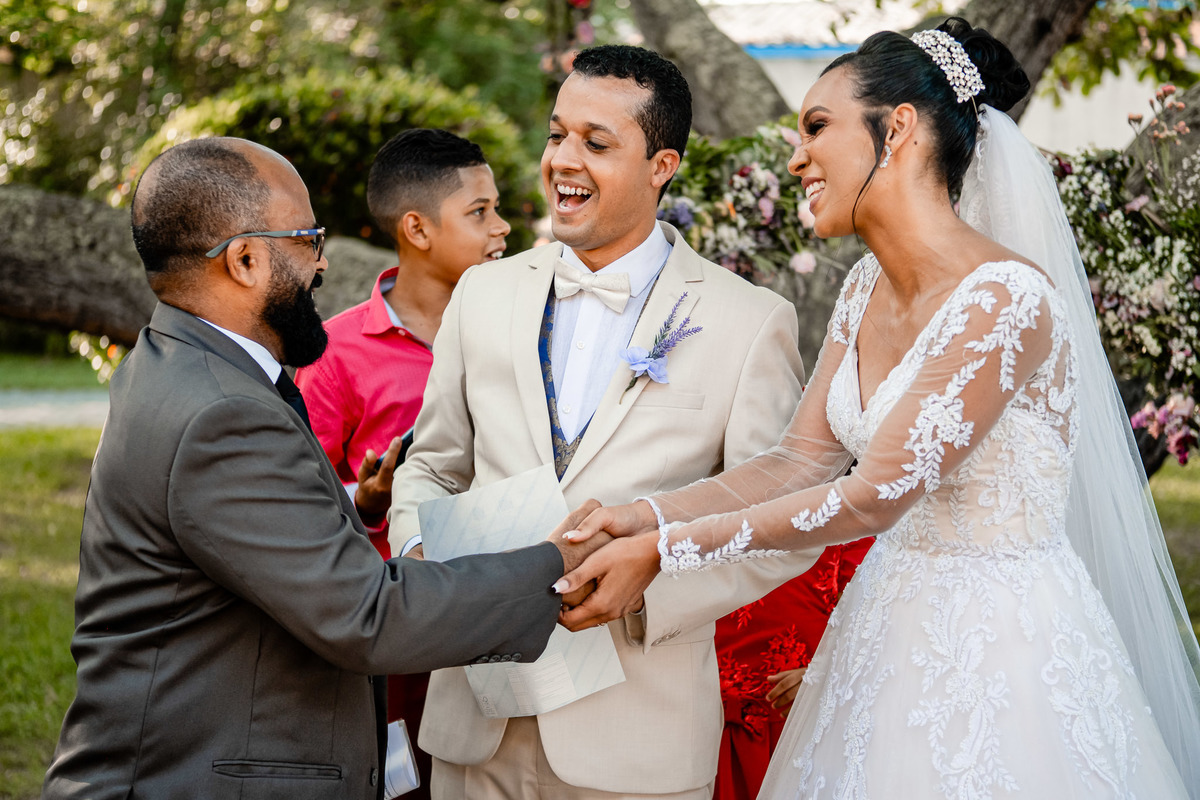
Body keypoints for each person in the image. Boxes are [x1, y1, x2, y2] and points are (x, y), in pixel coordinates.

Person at [557, 19, 1200, 798]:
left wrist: (668, 550)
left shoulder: (1007, 298)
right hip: (887, 626)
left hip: (1003, 652)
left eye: (816, 127)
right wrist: (643, 515)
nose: (796, 157)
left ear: (896, 130)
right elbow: (799, 461)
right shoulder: (864, 287)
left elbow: (874, 495)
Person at [41, 136, 600, 800]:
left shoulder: (177, 362)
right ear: (245, 260)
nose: (323, 262)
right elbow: (367, 616)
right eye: (308, 240)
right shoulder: (222, 413)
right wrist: (560, 565)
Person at [388, 45, 817, 799]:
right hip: (475, 727)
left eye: (596, 142)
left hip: (638, 740)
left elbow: (785, 522)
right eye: (557, 135)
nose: (563, 159)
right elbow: (433, 464)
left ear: (661, 166)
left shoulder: (749, 321)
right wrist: (421, 550)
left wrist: (653, 583)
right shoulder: (481, 293)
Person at [294, 127, 511, 799]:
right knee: (404, 783)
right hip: (397, 628)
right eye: (480, 212)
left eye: (497, 208)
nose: (502, 228)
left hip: (499, 609)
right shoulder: (335, 352)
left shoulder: (520, 331)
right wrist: (367, 500)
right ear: (417, 229)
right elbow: (300, 500)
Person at [711, 539, 870, 800]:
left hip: (795, 724)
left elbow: (870, 630)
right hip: (709, 725)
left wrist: (824, 673)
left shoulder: (843, 533)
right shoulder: (705, 524)